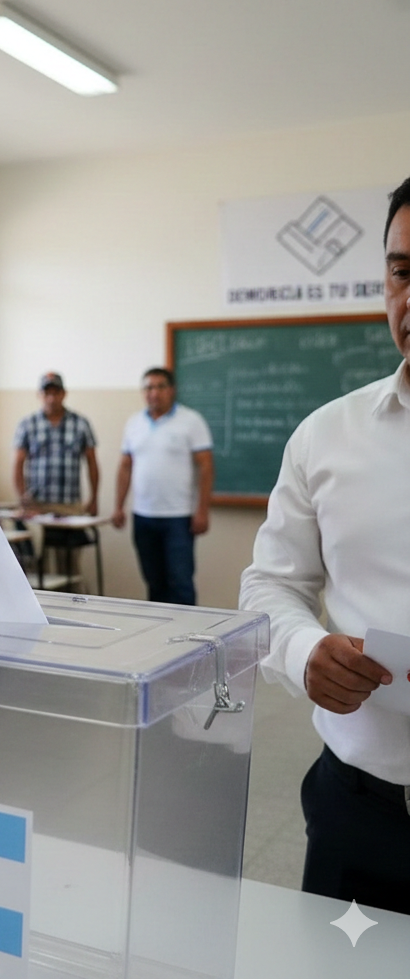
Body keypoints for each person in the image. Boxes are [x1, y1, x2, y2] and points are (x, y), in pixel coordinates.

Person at [238, 176, 410, 916]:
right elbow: (268, 584)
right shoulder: (327, 435)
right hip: (359, 805)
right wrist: (304, 650)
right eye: (404, 272)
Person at [110, 367, 213, 605]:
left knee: (181, 584)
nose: (154, 393)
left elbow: (206, 467)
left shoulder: (191, 420)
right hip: (143, 517)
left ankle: (189, 639)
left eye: (160, 387)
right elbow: (125, 466)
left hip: (178, 518)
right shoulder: (134, 423)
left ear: (172, 390)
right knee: (154, 585)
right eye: (148, 388)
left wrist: (202, 511)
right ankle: (161, 640)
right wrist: (118, 506)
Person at [13, 372, 98, 515]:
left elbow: (92, 462)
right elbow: (18, 463)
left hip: (70, 505)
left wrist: (94, 498)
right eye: (47, 393)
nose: (51, 399)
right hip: (37, 505)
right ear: (39, 395)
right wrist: (22, 498)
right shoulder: (27, 424)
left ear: (63, 394)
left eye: (56, 393)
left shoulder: (80, 424)